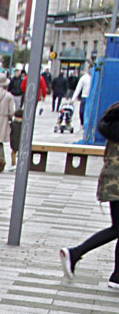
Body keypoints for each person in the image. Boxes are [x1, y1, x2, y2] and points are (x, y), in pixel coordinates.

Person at [60, 100, 119, 291]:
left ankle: (117, 277)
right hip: (117, 182)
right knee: (117, 228)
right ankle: (75, 252)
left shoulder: (114, 115)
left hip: (112, 180)